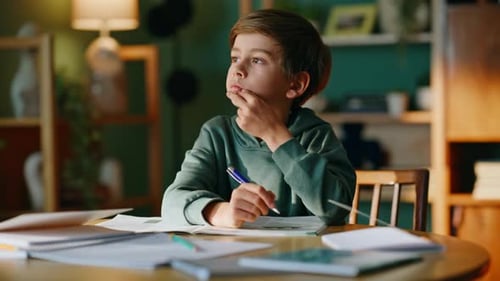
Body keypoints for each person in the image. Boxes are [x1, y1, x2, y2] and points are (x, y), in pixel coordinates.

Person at [162, 9, 356, 228]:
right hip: (234, 256)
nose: (238, 69)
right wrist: (221, 212)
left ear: (295, 84)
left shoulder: (316, 135)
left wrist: (275, 135)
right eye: (235, 58)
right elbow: (172, 202)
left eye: (257, 60)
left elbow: (336, 209)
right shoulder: (217, 133)